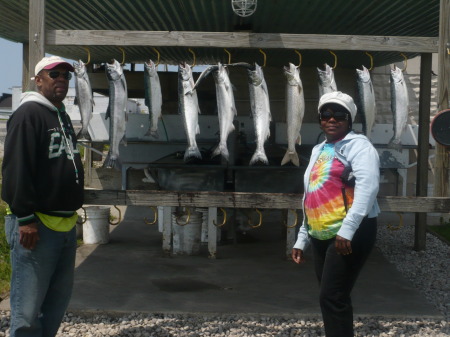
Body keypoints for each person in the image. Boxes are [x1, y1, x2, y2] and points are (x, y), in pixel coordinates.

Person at [2, 56, 84, 337]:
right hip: (36, 226)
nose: (62, 79)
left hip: (64, 225)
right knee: (28, 308)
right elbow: (16, 168)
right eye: (54, 74)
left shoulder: (60, 115)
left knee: (55, 303)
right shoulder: (28, 115)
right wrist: (25, 218)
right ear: (38, 80)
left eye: (66, 75)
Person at [292, 91, 380, 337]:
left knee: (332, 296)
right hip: (321, 232)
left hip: (350, 232)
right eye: (326, 114)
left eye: (339, 114)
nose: (332, 119)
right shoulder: (319, 149)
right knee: (332, 296)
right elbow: (312, 194)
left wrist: (348, 230)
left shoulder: (359, 146)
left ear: (349, 119)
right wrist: (303, 236)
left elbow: (368, 187)